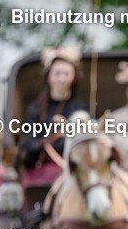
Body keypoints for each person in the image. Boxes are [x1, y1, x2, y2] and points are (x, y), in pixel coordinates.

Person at [19, 46, 87, 202]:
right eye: (57, 73)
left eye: (66, 74)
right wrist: (50, 140)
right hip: (43, 169)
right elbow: (30, 147)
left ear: (74, 78)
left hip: (74, 168)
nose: (61, 79)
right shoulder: (35, 109)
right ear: (48, 77)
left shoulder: (80, 108)